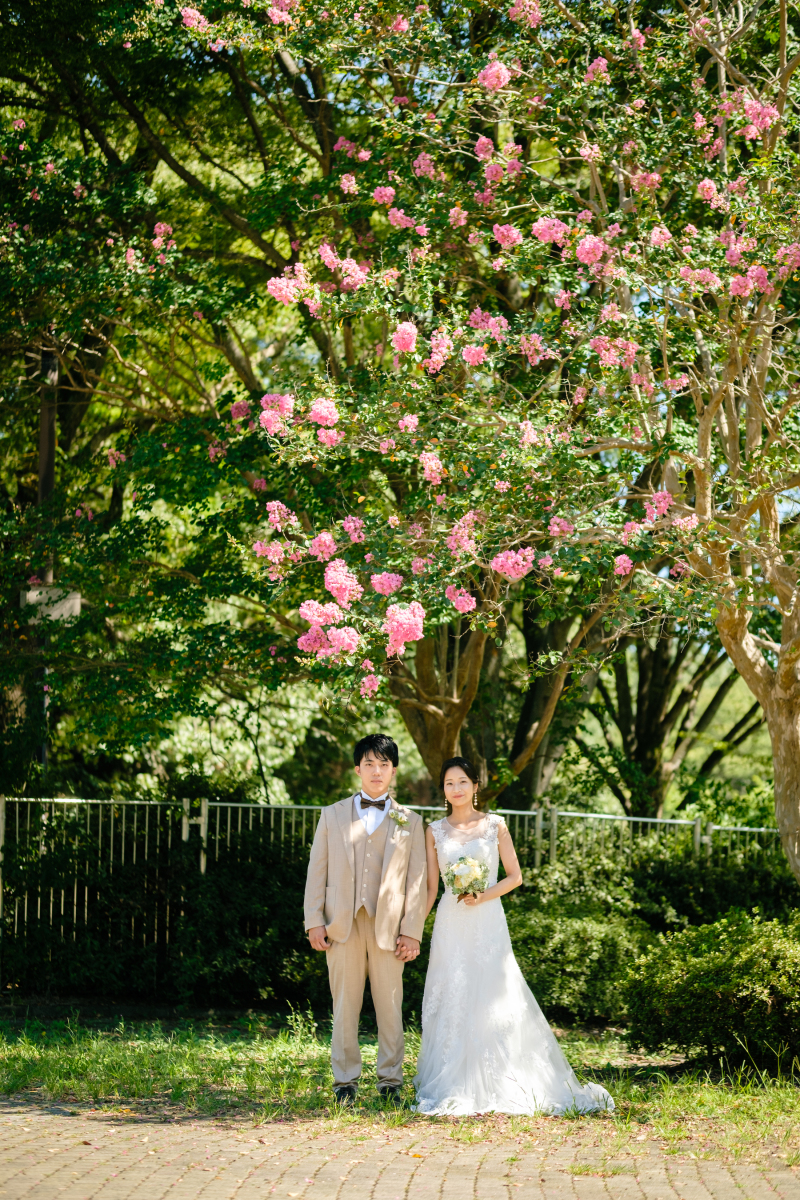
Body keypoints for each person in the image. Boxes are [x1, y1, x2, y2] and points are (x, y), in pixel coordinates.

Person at [414, 756, 614, 1116]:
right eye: (449, 783)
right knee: (452, 993)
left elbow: (514, 877)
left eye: (463, 782)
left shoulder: (495, 825)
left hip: (487, 918)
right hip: (450, 921)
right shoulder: (434, 831)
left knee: (493, 993)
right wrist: (412, 928)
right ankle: (454, 1081)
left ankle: (502, 1078)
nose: (456, 789)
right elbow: (432, 888)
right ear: (443, 790)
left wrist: (482, 895)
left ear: (475, 786)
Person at [304, 733, 427, 1105]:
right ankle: (345, 1083)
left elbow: (417, 881)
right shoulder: (332, 814)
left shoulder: (410, 821)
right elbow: (317, 871)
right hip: (342, 924)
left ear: (393, 771)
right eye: (370, 763)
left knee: (390, 1005)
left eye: (384, 764)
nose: (377, 771)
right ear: (357, 768)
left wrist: (412, 931)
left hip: (389, 929)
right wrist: (314, 921)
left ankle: (391, 1080)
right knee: (345, 1005)